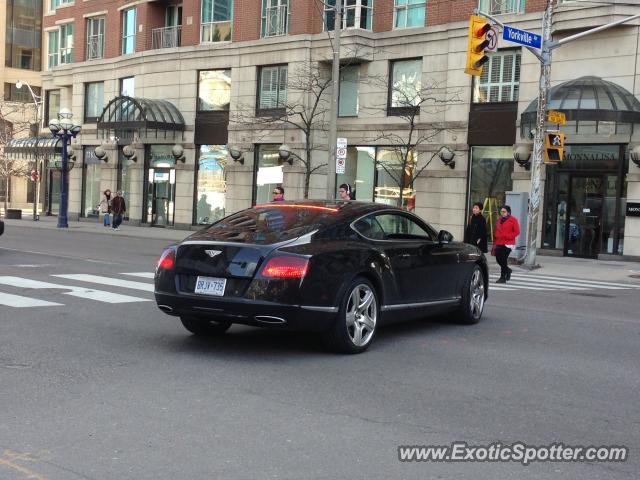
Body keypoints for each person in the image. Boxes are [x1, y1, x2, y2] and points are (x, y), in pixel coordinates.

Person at [494, 205, 520, 283]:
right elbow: (497, 229)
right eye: (501, 211)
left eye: (504, 211)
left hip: (508, 243)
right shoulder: (499, 220)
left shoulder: (513, 220)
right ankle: (508, 270)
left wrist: (508, 236)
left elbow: (517, 232)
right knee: (498, 259)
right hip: (499, 241)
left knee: (503, 259)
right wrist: (496, 235)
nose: (502, 213)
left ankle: (503, 277)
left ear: (508, 212)